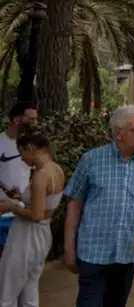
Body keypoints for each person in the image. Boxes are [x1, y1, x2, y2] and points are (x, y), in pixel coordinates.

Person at [64, 105, 134, 307]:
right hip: (92, 250)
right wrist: (68, 247)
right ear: (118, 134)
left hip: (128, 249)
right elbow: (74, 203)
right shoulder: (91, 160)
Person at [0, 131, 63, 307]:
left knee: (8, 288)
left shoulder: (40, 176)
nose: (22, 159)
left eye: (22, 154)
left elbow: (36, 215)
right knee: (30, 287)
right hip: (43, 235)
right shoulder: (56, 170)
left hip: (26, 235)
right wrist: (21, 198)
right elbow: (44, 206)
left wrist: (11, 205)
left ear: (31, 148)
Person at [0, 102, 37, 257]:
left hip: (24, 213)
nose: (36, 123)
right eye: (31, 119)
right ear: (16, 120)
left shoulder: (33, 145)